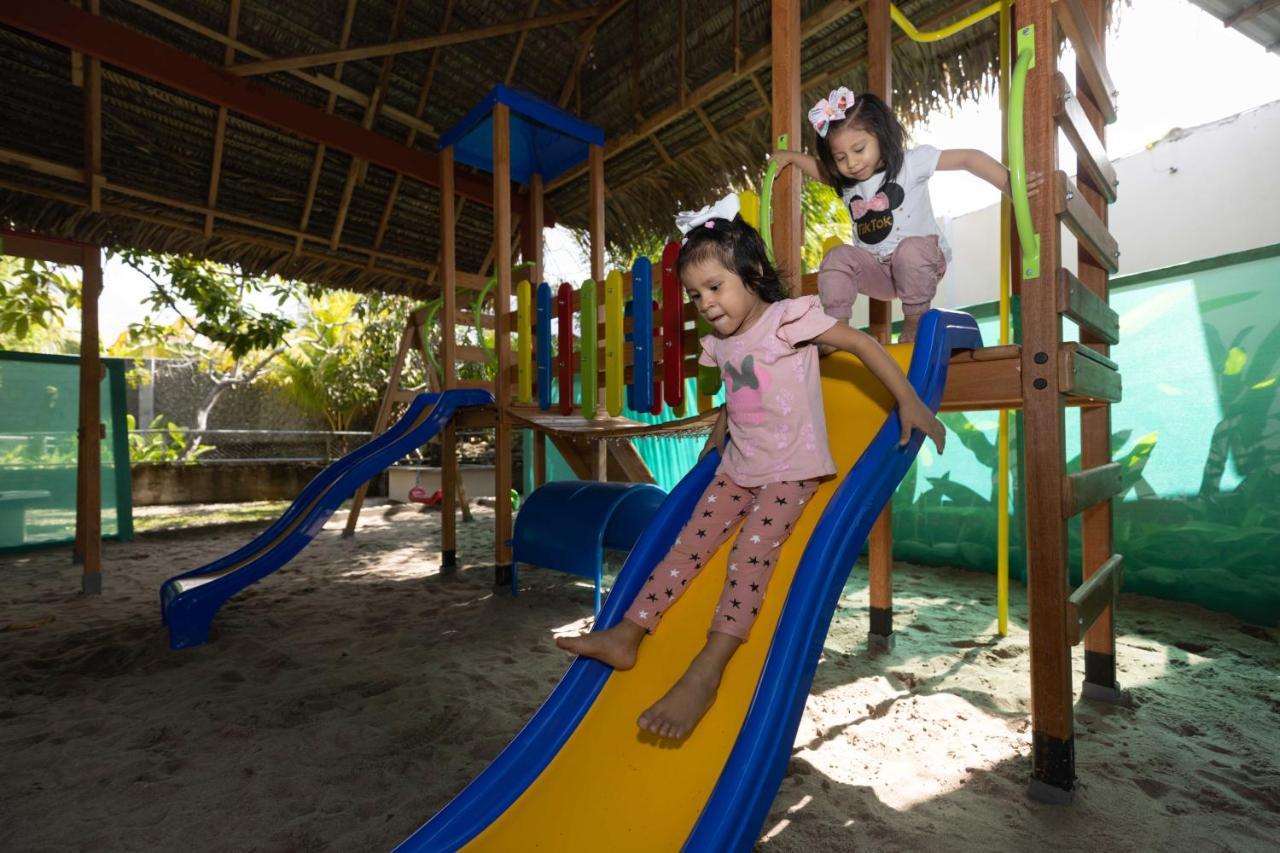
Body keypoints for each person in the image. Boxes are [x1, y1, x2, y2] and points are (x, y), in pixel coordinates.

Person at [556, 195, 945, 741]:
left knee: (749, 556)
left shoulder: (789, 320)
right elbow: (738, 392)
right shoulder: (719, 344)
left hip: (792, 469)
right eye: (695, 295)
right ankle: (627, 633)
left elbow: (858, 343)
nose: (706, 303)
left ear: (753, 274)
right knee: (686, 546)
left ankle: (707, 670)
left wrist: (908, 400)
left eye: (716, 287)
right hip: (738, 467)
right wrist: (720, 432)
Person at [771, 88, 1009, 342]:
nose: (851, 162)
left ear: (881, 137)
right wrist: (792, 158)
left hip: (922, 264)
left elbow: (968, 159)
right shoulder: (849, 184)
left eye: (859, 149)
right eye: (841, 157)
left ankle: (915, 321)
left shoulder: (911, 164)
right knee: (836, 256)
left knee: (910, 250)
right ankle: (837, 330)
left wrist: (1011, 185)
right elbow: (820, 171)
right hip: (880, 274)